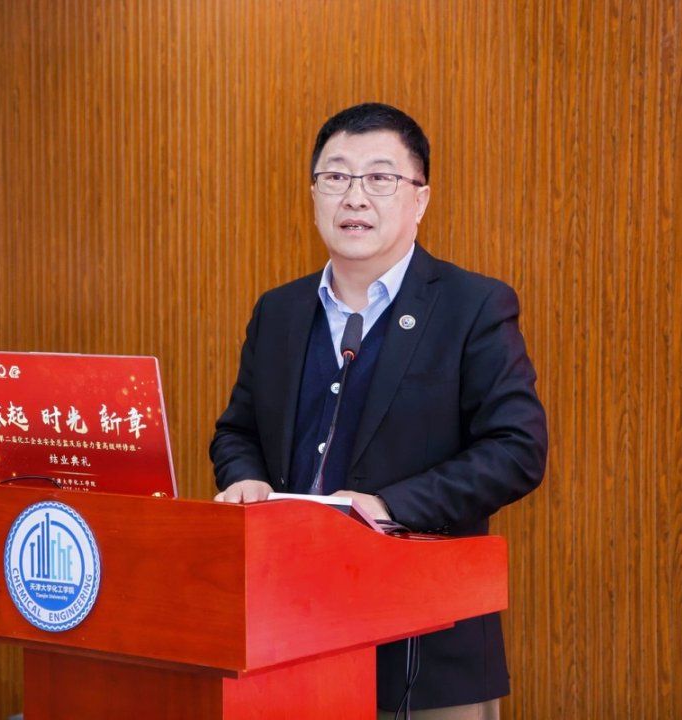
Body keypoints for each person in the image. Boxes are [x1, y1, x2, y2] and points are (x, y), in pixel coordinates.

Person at [209, 102, 548, 719]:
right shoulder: (279, 311)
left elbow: (516, 449)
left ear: (420, 199)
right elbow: (237, 431)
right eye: (336, 176)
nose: (355, 196)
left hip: (425, 649)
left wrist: (388, 507)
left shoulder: (473, 306)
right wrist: (245, 479)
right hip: (286, 636)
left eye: (380, 177)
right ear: (314, 194)